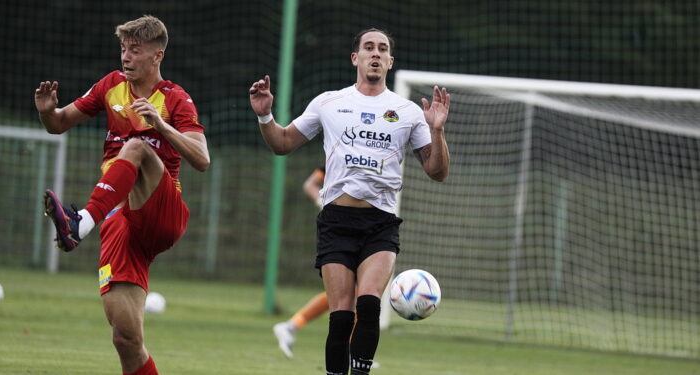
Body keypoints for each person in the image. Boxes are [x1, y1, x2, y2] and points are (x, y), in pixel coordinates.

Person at [250, 28, 450, 375]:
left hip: (380, 224)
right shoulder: (329, 102)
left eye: (383, 49)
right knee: (341, 314)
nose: (376, 53)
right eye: (368, 47)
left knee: (368, 304)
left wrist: (437, 130)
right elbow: (282, 143)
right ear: (355, 58)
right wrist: (265, 116)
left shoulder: (407, 112)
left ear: (390, 61)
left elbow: (437, 171)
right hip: (337, 222)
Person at [35, 15, 209, 375]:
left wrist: (161, 126)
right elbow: (58, 125)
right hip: (118, 220)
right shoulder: (110, 86)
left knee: (137, 147)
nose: (126, 57)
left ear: (157, 55)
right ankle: (81, 224)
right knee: (125, 339)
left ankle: (79, 224)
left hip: (162, 211)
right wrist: (46, 112)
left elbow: (202, 159)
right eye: (123, 48)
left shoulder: (175, 99)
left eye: (136, 50)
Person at [273, 167, 328, 359]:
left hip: (362, 228)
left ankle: (290, 326)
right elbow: (310, 184)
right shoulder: (339, 151)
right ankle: (354, 352)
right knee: (348, 291)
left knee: (346, 292)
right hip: (338, 228)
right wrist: (323, 203)